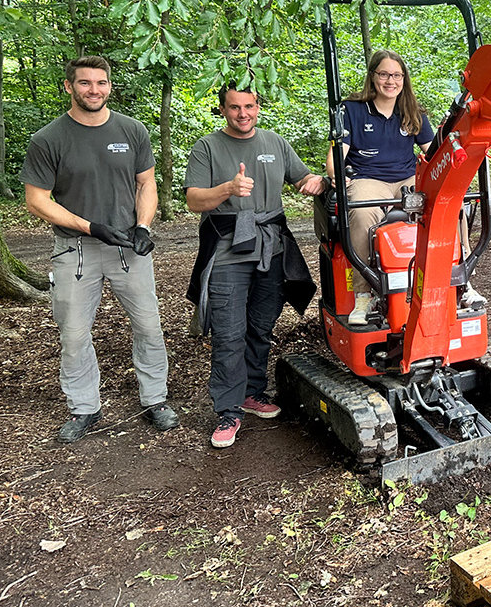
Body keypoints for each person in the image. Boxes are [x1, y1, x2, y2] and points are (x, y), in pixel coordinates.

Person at [20, 55, 178, 442]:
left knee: (149, 326)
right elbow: (37, 200)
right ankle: (84, 407)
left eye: (101, 82)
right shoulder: (49, 139)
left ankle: (155, 400)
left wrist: (143, 226)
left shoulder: (132, 130)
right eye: (85, 83)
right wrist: (90, 227)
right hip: (75, 249)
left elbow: (146, 184)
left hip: (128, 247)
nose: (94, 90)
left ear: (109, 85)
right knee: (74, 334)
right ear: (69, 86)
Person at [185, 84, 328, 448]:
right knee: (228, 332)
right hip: (228, 248)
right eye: (234, 107)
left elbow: (302, 178)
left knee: (261, 325)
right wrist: (228, 189)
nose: (243, 113)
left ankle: (252, 392)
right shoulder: (207, 147)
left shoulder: (274, 142)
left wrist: (317, 182)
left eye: (249, 106)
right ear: (222, 109)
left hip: (271, 247)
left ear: (258, 107)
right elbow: (194, 200)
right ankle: (228, 410)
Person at [325, 50, 481, 325]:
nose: (391, 81)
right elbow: (335, 157)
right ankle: (363, 295)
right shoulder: (352, 110)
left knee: (449, 203)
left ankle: (461, 282)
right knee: (361, 211)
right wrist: (336, 174)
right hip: (368, 178)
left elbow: (433, 153)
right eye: (384, 74)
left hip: (408, 179)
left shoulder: (412, 112)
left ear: (404, 79)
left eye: (396, 75)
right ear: (373, 76)